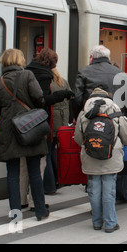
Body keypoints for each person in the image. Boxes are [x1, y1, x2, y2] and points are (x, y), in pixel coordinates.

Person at [0, 49, 49, 221]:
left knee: (12, 173)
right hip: (29, 126)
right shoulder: (27, 75)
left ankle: (15, 213)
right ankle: (40, 210)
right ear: (20, 60)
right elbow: (40, 97)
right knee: (34, 171)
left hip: (9, 129)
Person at [74, 87, 127, 233]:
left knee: (94, 189)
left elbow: (78, 138)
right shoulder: (114, 109)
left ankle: (96, 222)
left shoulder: (84, 112)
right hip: (111, 156)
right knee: (109, 190)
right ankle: (110, 223)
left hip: (90, 156)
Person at [26, 48, 74, 195]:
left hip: (42, 121)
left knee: (45, 155)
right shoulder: (59, 80)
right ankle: (56, 182)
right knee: (51, 152)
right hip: (57, 122)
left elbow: (42, 100)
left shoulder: (29, 73)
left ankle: (48, 186)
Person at [75, 45, 127, 129]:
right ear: (108, 57)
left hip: (90, 121)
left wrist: (77, 117)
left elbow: (77, 98)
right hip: (114, 120)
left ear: (92, 57)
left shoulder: (83, 72)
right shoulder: (120, 74)